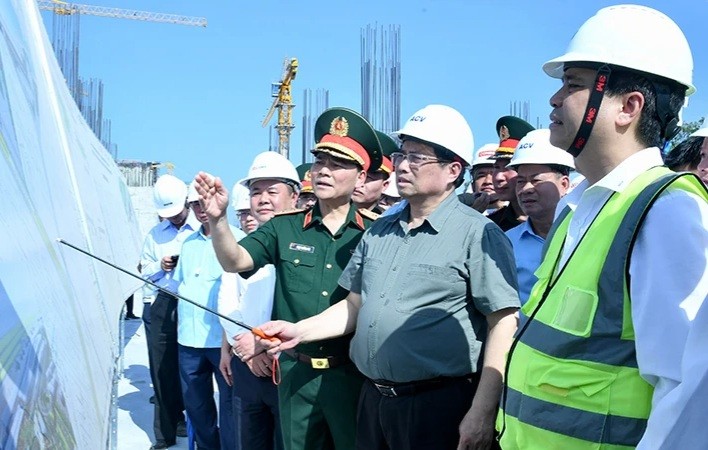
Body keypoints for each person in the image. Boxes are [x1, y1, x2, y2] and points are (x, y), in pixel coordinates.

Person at [497, 5, 708, 449]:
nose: (554, 100)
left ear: (628, 107)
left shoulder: (666, 211)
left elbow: (688, 390)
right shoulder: (579, 205)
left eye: (572, 84)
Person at [259, 104, 521, 450]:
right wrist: (298, 331)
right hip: (373, 400)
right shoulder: (379, 230)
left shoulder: (478, 235)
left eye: (417, 157)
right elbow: (354, 305)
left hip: (438, 405)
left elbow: (503, 323)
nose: (402, 166)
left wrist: (483, 410)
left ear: (453, 170)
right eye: (401, 155)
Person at [196, 107, 383, 450]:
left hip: (352, 377)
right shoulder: (285, 227)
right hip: (296, 376)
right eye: (320, 161)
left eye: (338, 164)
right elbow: (235, 260)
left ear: (360, 178)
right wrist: (218, 221)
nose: (324, 171)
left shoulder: (376, 234)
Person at [218, 151, 300, 450]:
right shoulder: (242, 247)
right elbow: (227, 302)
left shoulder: (306, 244)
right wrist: (247, 348)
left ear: (295, 196)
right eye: (256, 192)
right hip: (248, 364)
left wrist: (265, 344)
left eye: (272, 191)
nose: (263, 199)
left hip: (289, 366)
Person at [173, 180, 243, 450]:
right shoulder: (187, 244)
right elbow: (180, 284)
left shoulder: (237, 239)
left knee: (229, 407)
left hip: (221, 342)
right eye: (195, 205)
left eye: (205, 203)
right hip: (188, 342)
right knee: (197, 406)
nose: (202, 209)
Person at [140, 174, 198, 450]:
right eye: (169, 215)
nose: (174, 219)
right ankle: (164, 433)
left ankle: (189, 421)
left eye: (177, 213)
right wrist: (159, 267)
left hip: (192, 303)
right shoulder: (155, 235)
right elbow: (142, 269)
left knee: (190, 368)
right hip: (161, 302)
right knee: (162, 369)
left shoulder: (201, 229)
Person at [503, 129, 574, 305]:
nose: (526, 188)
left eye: (536, 180)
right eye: (520, 181)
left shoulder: (586, 231)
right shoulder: (507, 242)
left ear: (564, 184)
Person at [487, 116, 535, 231]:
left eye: (508, 167)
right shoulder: (491, 226)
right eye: (496, 167)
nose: (498, 177)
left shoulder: (562, 220)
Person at [351, 130, 397, 214]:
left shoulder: (387, 223)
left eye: (368, 177)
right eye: (358, 175)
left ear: (385, 185)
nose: (360, 183)